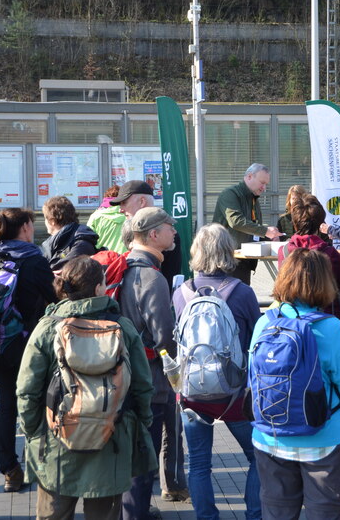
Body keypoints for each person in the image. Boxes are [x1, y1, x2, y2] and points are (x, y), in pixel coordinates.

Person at [16, 256, 155, 520]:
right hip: (111, 436)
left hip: (58, 438)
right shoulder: (122, 327)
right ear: (99, 288)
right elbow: (142, 386)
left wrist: (35, 430)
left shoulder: (48, 328)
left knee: (53, 515)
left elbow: (27, 388)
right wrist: (139, 425)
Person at [251, 249, 340, 518]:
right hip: (323, 439)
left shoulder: (264, 323)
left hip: (270, 437)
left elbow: (252, 379)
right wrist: (334, 423)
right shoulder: (331, 327)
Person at [173, 224, 262, 520]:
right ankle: (254, 515)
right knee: (258, 458)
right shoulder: (243, 293)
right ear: (228, 252)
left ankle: (207, 517)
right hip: (234, 393)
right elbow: (254, 341)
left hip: (192, 393)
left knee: (198, 464)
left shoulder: (181, 293)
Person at [0, 208, 57, 493]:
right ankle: (39, 465)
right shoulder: (33, 258)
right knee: (36, 403)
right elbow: (53, 295)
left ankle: (10, 470)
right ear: (23, 228)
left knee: (6, 404)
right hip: (28, 343)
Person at [118, 207, 189, 515]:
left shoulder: (124, 268)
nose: (174, 232)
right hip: (151, 381)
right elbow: (164, 338)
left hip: (124, 374)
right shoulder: (152, 277)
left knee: (133, 450)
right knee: (144, 454)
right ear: (152, 235)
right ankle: (137, 512)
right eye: (169, 227)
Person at [278, 194, 340, 319]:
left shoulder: (284, 251)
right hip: (326, 317)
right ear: (320, 223)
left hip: (292, 319)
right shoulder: (330, 253)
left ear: (294, 223)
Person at [212, 163, 281, 284]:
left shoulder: (253, 199)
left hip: (243, 260)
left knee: (241, 297)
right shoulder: (230, 194)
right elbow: (236, 222)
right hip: (225, 260)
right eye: (262, 183)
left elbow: (252, 227)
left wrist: (269, 237)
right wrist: (266, 231)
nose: (264, 188)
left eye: (266, 184)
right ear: (249, 176)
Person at [111, 179, 183, 289]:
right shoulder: (126, 227)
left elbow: (169, 277)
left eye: (124, 203)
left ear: (142, 202)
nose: (120, 209)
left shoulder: (166, 234)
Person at [40, 196, 99, 271]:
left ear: (52, 221)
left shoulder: (81, 242)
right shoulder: (57, 242)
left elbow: (62, 272)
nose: (44, 222)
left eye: (45, 218)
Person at [87, 185, 128, 253]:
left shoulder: (96, 216)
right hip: (125, 258)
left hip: (102, 258)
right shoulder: (129, 215)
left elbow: (88, 239)